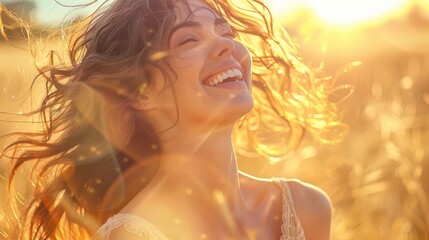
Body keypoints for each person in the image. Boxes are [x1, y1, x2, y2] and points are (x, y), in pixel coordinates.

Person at [0, 0, 344, 239]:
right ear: (140, 92)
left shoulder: (306, 207)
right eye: (189, 39)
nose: (228, 47)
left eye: (225, 32)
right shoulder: (133, 235)